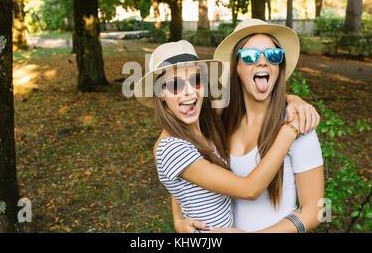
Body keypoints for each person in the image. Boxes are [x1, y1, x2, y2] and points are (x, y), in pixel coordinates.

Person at [134, 38, 320, 231]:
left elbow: (313, 212)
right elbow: (248, 188)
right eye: (174, 85)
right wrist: (290, 130)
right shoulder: (225, 122)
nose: (188, 92)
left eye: (196, 81)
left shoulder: (213, 121)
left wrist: (293, 100)